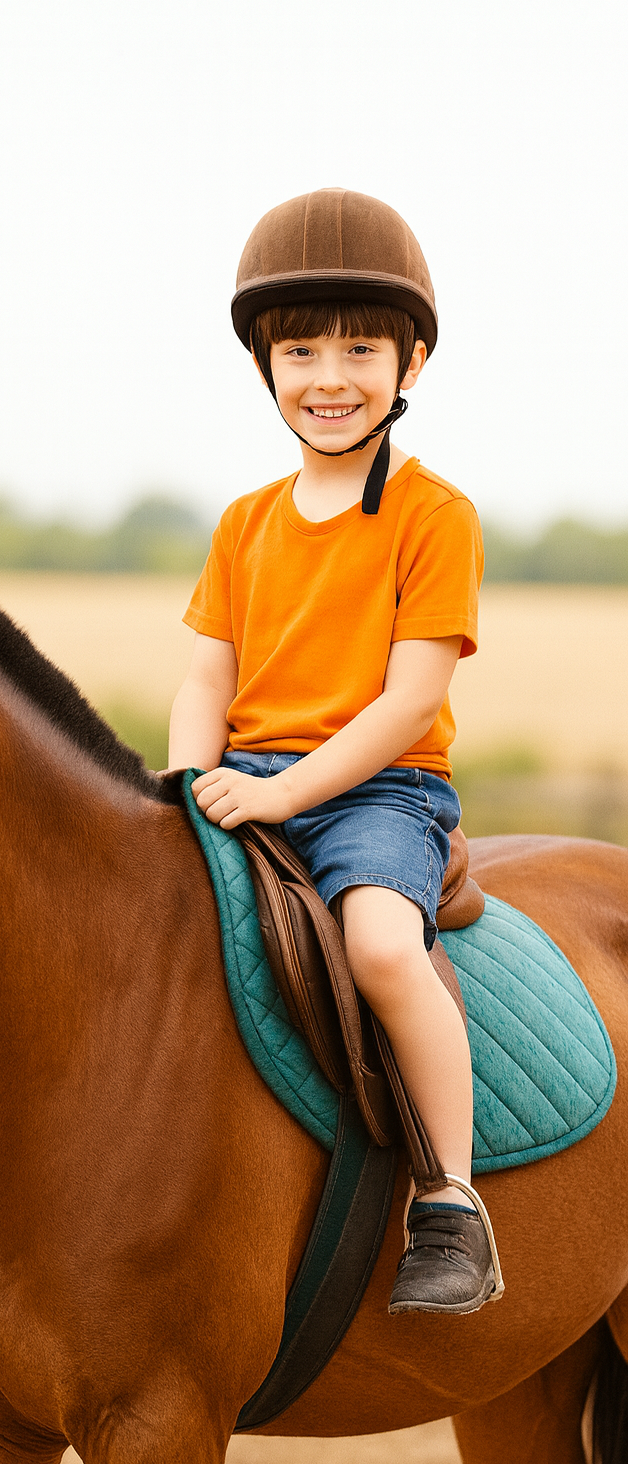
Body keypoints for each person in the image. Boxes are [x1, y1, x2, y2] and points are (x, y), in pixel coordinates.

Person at [168, 187, 498, 1315]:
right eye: (300, 348)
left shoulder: (431, 514)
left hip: (379, 794)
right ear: (266, 365)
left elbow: (410, 702)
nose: (328, 376)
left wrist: (287, 796)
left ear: (409, 365)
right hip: (244, 774)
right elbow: (208, 674)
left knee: (381, 949)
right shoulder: (244, 521)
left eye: (361, 348)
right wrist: (182, 778)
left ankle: (449, 1198)